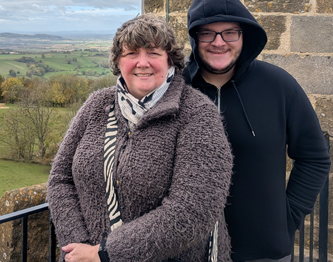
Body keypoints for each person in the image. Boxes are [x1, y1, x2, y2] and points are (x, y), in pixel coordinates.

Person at [47, 14, 233, 262]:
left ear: (169, 60)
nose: (142, 63)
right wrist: (77, 248)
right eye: (132, 53)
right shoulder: (97, 105)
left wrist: (105, 254)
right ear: (118, 61)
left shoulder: (197, 114)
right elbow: (60, 179)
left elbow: (192, 210)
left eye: (153, 53)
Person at [184, 0, 331, 262]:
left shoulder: (279, 85)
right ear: (195, 37)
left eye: (230, 32)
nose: (219, 42)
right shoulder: (177, 89)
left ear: (244, 35)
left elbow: (314, 157)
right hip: (186, 250)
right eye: (207, 33)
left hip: (263, 252)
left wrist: (288, 217)